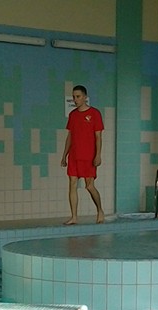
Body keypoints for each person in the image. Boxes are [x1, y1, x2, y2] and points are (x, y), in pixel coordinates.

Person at [61, 84, 105, 225]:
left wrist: (98, 155)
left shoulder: (95, 113)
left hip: (88, 156)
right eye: (74, 97)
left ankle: (100, 210)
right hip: (74, 155)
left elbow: (98, 137)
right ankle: (74, 216)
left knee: (89, 186)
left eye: (78, 96)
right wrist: (64, 155)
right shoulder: (73, 115)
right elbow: (70, 137)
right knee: (72, 183)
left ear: (85, 97)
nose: (75, 99)